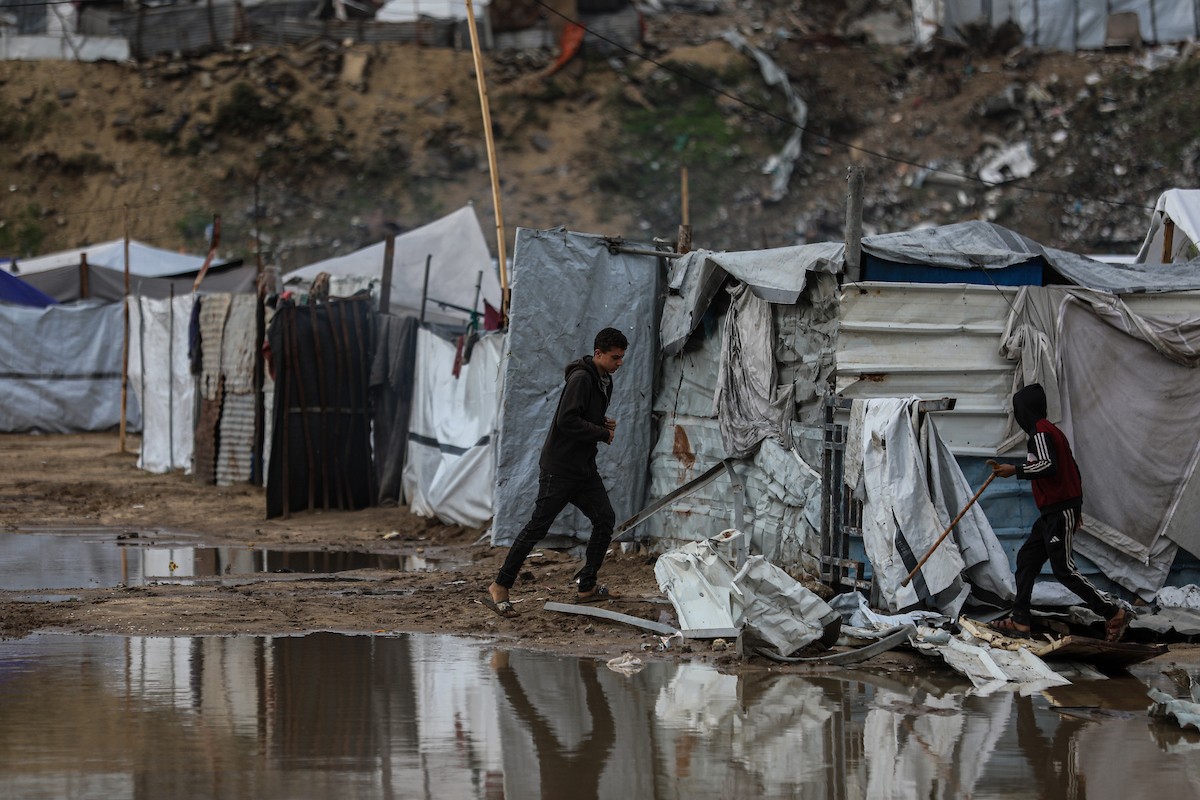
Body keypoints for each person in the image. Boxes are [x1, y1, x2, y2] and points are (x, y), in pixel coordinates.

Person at [483, 327, 628, 618]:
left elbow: (585, 417)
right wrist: (601, 433)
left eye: (622, 358)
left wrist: (602, 423)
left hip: (583, 469)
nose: (619, 363)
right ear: (598, 353)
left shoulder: (603, 381)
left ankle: (586, 587)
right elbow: (566, 421)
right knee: (537, 528)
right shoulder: (581, 379)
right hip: (560, 469)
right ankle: (500, 585)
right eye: (614, 357)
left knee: (605, 519)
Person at [988, 383, 1129, 642]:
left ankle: (1113, 612)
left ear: (1025, 410)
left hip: (1059, 510)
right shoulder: (1052, 432)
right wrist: (1077, 506)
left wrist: (1014, 470)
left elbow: (1049, 466)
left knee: (1063, 569)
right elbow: (1072, 468)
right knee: (1027, 561)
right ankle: (1020, 620)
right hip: (1055, 512)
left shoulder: (1040, 432)